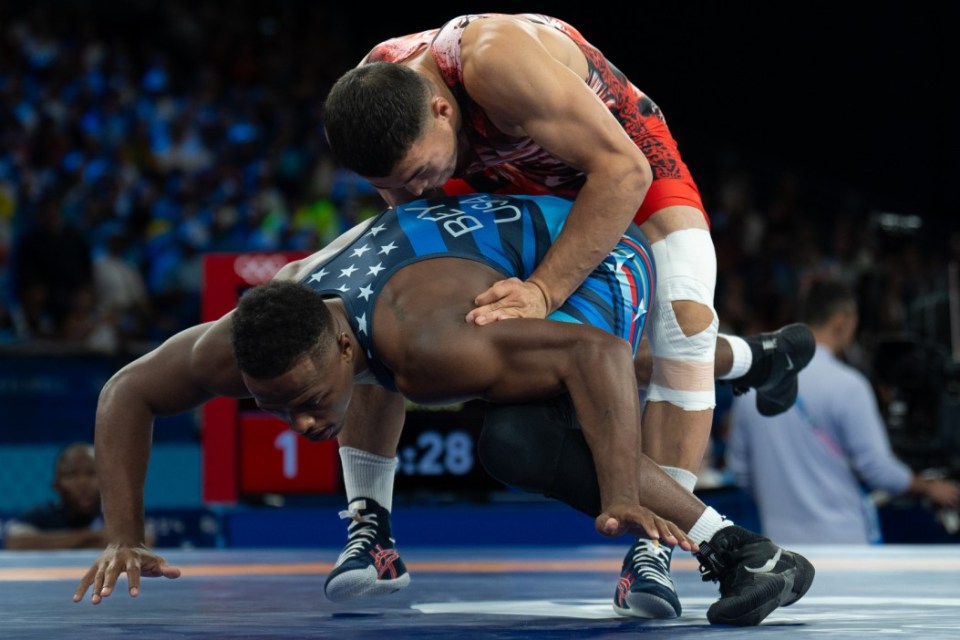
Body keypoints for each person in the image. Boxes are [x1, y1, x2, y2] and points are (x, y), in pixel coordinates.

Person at [72, 193, 814, 626]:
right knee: (497, 373)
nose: (300, 428)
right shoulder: (245, 342)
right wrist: (124, 533)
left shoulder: (430, 347)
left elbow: (600, 358)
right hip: (443, 261)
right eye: (275, 411)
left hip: (583, 249)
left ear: (337, 346)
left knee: (524, 439)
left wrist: (621, 489)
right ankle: (757, 357)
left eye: (305, 404)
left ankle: (745, 552)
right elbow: (124, 392)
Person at [321, 12, 813, 618]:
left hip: (613, 159)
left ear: (441, 110)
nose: (417, 191)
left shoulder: (495, 63)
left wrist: (545, 291)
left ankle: (653, 550)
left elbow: (624, 171)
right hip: (493, 179)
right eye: (398, 183)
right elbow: (412, 202)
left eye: (419, 173)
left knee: (683, 322)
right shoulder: (380, 98)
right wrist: (423, 208)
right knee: (389, 304)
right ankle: (371, 529)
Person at [727, 278, 960, 544]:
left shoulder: (754, 386)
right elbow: (876, 468)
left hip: (779, 547)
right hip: (844, 547)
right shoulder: (849, 386)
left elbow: (740, 471)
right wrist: (928, 487)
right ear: (841, 320)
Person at [4, 442, 105, 550]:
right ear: (56, 485)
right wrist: (94, 536)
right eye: (72, 474)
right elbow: (15, 542)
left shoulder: (114, 515)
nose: (83, 484)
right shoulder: (44, 515)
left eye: (92, 473)